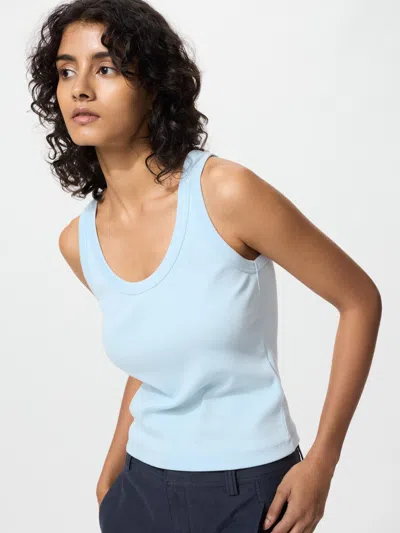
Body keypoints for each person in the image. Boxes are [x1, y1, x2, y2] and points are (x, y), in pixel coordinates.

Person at [26, 1, 382, 531]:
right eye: (65, 70)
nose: (79, 88)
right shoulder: (79, 242)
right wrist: (110, 476)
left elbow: (359, 300)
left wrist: (322, 464)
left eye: (106, 68)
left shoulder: (224, 193)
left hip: (250, 490)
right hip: (139, 492)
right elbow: (156, 355)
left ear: (154, 85)